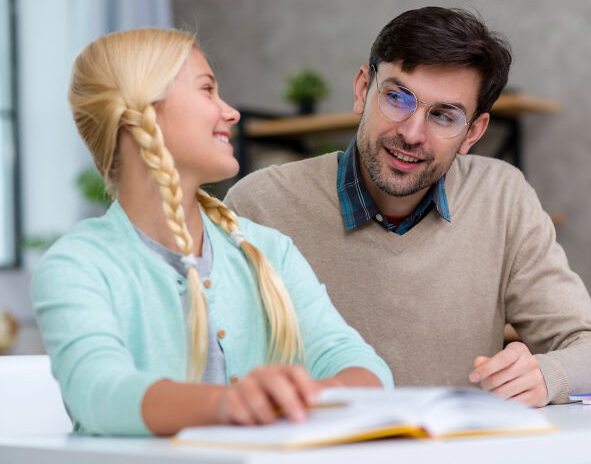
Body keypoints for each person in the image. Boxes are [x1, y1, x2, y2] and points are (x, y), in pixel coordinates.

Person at [225, 7, 591, 406]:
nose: (412, 133)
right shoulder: (261, 204)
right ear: (363, 90)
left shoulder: (502, 196)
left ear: (473, 133)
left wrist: (547, 374)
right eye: (397, 97)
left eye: (443, 115)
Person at [31, 28, 391, 437]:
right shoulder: (77, 265)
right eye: (207, 90)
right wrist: (230, 404)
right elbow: (98, 392)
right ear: (144, 108)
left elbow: (362, 365)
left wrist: (301, 399)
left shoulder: (269, 250)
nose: (231, 112)